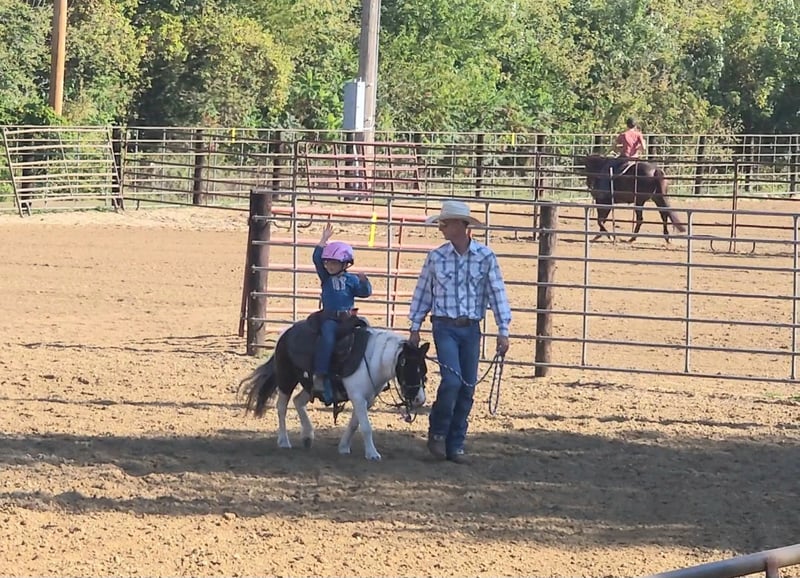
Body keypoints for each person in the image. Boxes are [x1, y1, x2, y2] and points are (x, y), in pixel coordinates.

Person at [408, 200, 511, 464]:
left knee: (467, 387)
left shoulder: (485, 257)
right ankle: (439, 433)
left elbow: (496, 293)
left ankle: (455, 443)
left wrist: (503, 329)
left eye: (444, 223)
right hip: (444, 326)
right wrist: (415, 325)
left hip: (470, 328)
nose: (441, 228)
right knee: (453, 381)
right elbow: (424, 291)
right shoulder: (436, 257)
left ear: (458, 225)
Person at [312, 223, 372, 404]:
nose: (329, 266)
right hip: (330, 318)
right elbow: (316, 259)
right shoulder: (325, 277)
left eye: (334, 263)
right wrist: (323, 241)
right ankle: (320, 374)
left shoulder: (351, 280)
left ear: (345, 264)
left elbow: (364, 293)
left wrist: (365, 282)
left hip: (348, 319)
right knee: (328, 339)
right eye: (328, 262)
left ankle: (369, 370)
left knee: (367, 332)